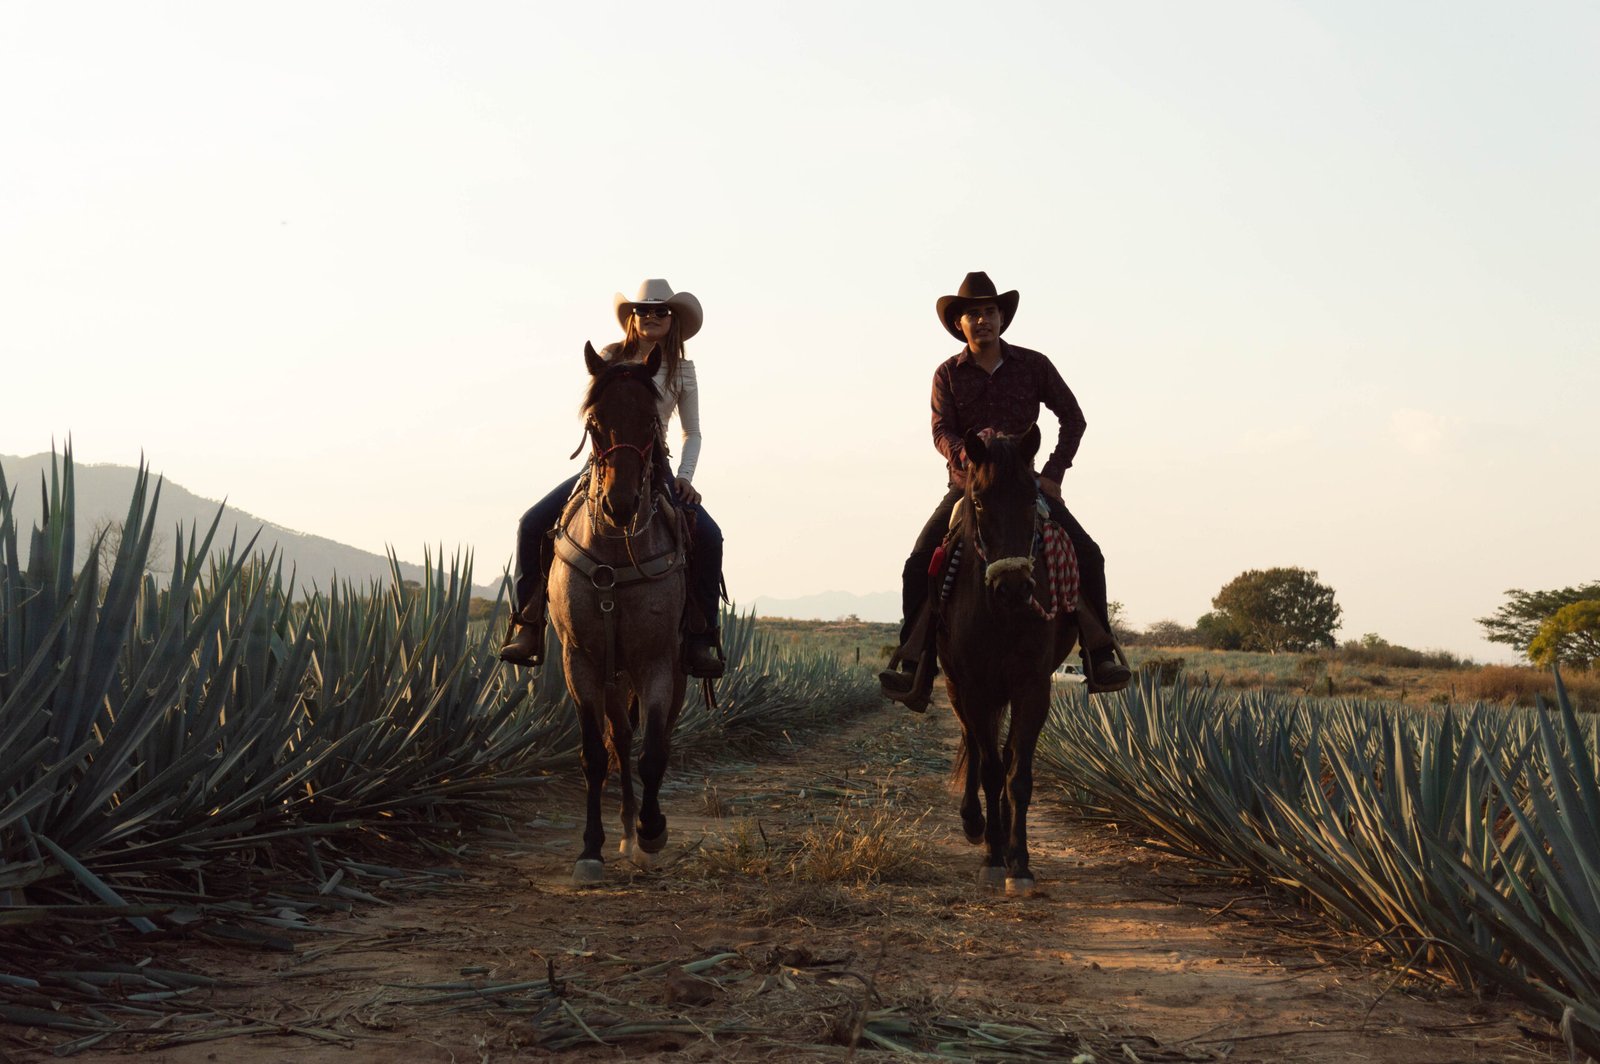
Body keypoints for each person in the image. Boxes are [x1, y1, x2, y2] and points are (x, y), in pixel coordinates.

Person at [880, 271, 1132, 702]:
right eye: (973, 314)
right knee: (918, 562)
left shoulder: (1034, 366)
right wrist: (969, 458)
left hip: (1025, 488)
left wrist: (1052, 474)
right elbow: (941, 431)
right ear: (959, 323)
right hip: (969, 489)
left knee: (1089, 555)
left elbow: (1074, 418)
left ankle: (1098, 651)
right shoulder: (947, 374)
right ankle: (915, 659)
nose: (983, 321)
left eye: (990, 312)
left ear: (1002, 318)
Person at [500, 279, 725, 677]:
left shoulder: (682, 372)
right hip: (603, 463)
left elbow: (693, 431)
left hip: (657, 467)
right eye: (643, 310)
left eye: (661, 311)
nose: (651, 316)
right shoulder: (608, 357)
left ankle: (701, 637)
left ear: (672, 321)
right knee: (531, 523)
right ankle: (528, 623)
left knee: (709, 536)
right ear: (632, 318)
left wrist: (686, 477)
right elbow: (595, 413)